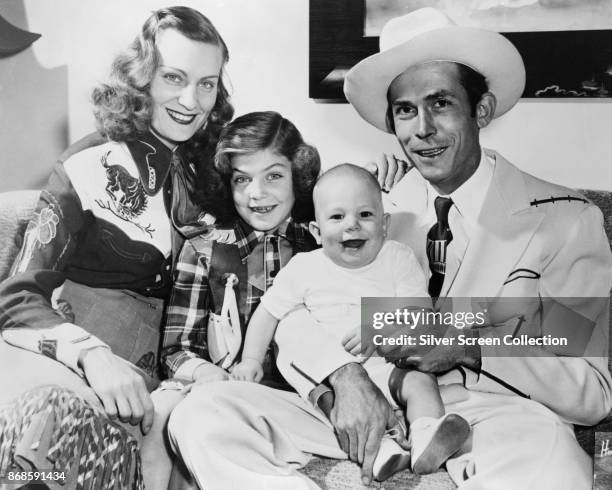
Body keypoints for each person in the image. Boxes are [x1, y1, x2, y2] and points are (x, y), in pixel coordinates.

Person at [169, 7, 612, 490]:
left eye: (440, 103)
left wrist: (469, 344)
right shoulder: (373, 211)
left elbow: (594, 387)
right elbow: (297, 308)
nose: (421, 128)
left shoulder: (563, 220)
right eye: (405, 110)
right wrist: (343, 377)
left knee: (556, 467)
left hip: (496, 415)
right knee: (203, 414)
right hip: (370, 394)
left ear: (480, 109)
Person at [0, 6, 233, 489]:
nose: (192, 100)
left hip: (166, 384)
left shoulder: (218, 168)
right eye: (174, 78)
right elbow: (16, 297)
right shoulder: (87, 163)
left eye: (207, 83)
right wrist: (92, 357)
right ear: (141, 77)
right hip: (75, 368)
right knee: (45, 443)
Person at [231, 163, 471, 479]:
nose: (352, 226)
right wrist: (249, 360)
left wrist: (382, 328)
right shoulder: (304, 267)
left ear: (384, 223)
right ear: (317, 231)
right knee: (326, 400)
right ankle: (383, 448)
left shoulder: (397, 257)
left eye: (365, 215)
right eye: (337, 217)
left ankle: (427, 433)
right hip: (334, 380)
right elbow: (268, 312)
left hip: (390, 368)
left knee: (419, 381)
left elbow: (419, 313)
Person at [160, 110, 320, 392]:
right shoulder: (202, 249)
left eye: (273, 176)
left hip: (308, 401)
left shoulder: (317, 244)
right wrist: (206, 373)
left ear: (298, 176)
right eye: (242, 180)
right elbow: (175, 351)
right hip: (230, 398)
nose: (256, 193)